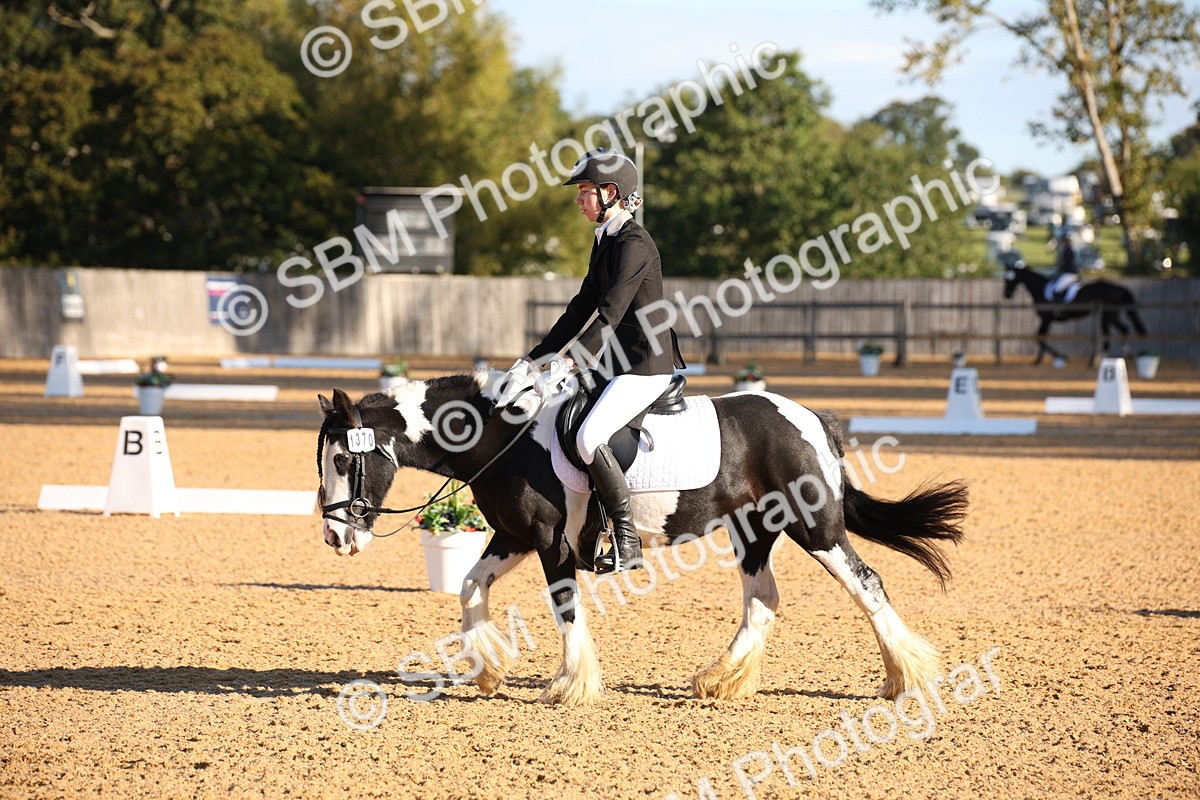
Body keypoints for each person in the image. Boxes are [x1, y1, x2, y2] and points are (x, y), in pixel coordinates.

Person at [501, 148, 684, 574]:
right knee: (557, 420)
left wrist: (574, 361)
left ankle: (625, 535)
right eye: (580, 191)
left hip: (645, 364)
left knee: (587, 439)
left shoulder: (634, 242)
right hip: (615, 364)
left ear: (612, 193)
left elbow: (611, 311)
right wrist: (533, 361)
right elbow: (581, 306)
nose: (579, 199)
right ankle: (586, 524)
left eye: (585, 191)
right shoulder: (605, 239)